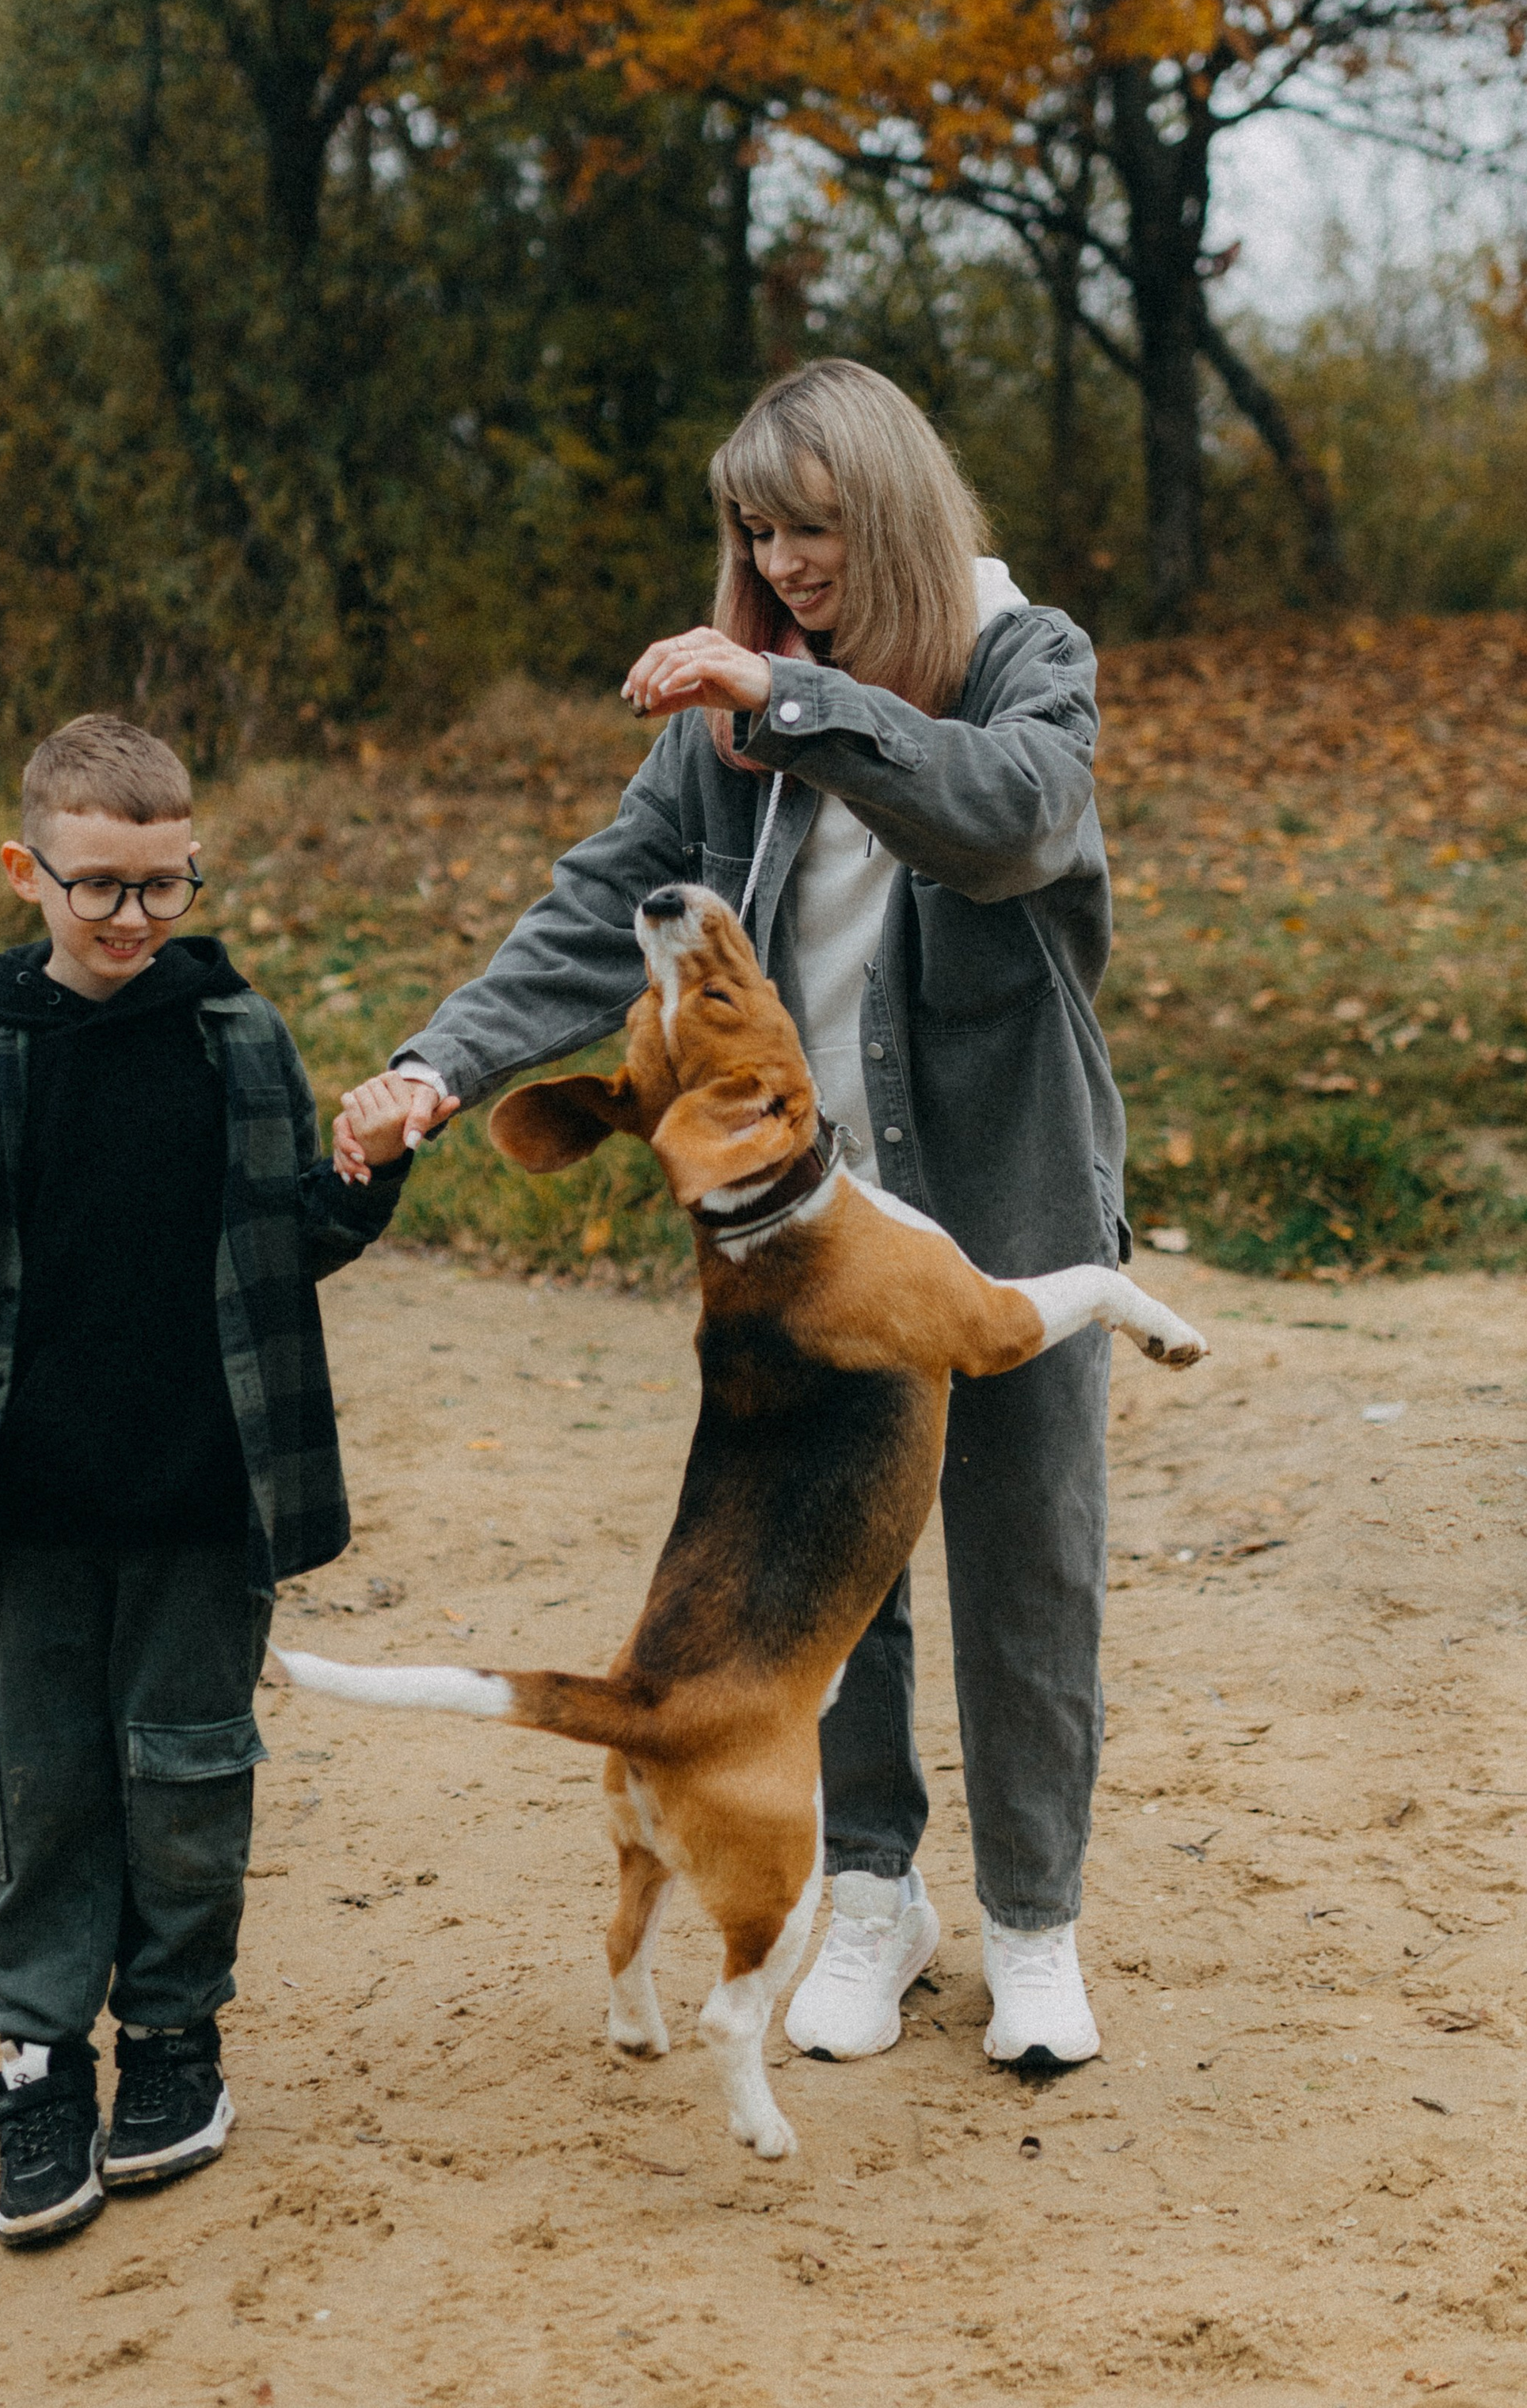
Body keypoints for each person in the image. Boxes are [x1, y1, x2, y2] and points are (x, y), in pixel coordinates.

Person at [334, 359, 1128, 2075]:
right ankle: (871, 1893)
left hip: (1001, 1184)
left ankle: (1037, 1931)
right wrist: (438, 1062)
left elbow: (1005, 824)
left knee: (1022, 1548)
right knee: (832, 1569)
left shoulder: (1023, 661)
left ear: (893, 513)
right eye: (753, 537)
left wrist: (787, 695)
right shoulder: (734, 710)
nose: (776, 566)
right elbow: (600, 902)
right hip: (804, 1219)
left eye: (809, 530)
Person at [0, 711, 441, 2249]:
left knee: (187, 1777)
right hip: (32, 1518)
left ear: (192, 874)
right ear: (27, 871)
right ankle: (40, 2055)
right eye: (98, 887)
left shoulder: (234, 1038)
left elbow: (296, 1242)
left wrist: (376, 1156)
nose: (131, 919)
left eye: (161, 887)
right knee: (41, 1786)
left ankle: (176, 2044)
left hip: (207, 1503)